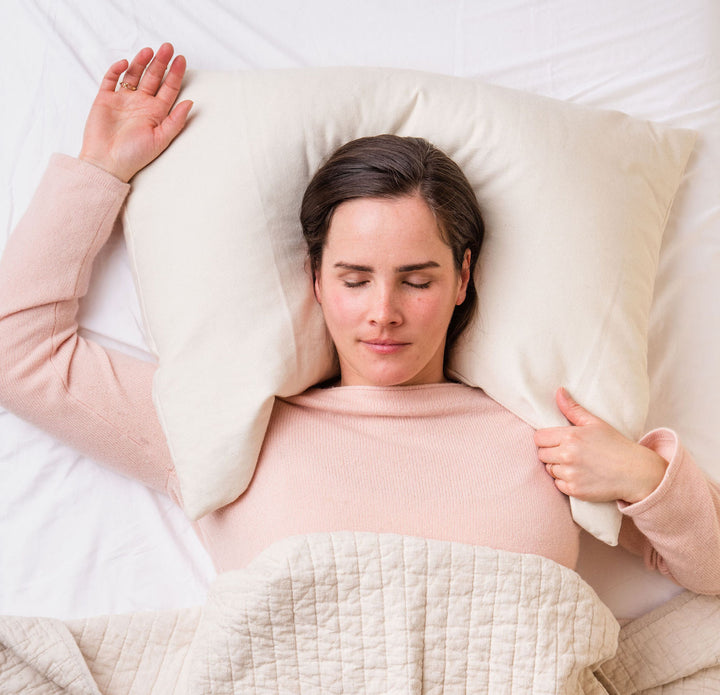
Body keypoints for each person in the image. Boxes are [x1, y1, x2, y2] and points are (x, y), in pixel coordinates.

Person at [0, 44, 718, 593]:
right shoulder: (225, 429)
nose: (383, 313)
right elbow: (16, 350)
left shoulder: (545, 442)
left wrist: (644, 474)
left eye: (417, 279)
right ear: (314, 278)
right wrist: (100, 169)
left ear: (464, 277)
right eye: (354, 278)